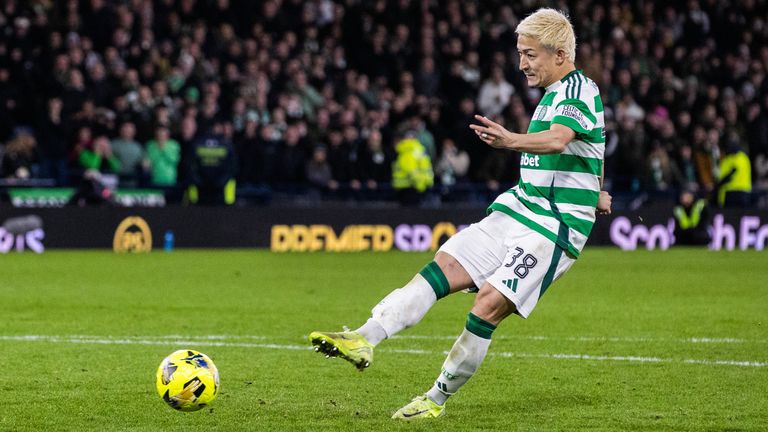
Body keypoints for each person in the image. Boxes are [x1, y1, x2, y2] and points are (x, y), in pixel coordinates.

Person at [309, 9, 612, 420]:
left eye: (529, 54)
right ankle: (363, 337)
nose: (521, 63)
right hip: (520, 207)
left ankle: (434, 400)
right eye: (520, 53)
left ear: (560, 54)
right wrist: (597, 189)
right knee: (443, 265)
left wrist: (510, 140)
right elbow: (589, 148)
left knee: (487, 305)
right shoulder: (555, 93)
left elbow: (559, 141)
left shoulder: (577, 89)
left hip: (553, 228)